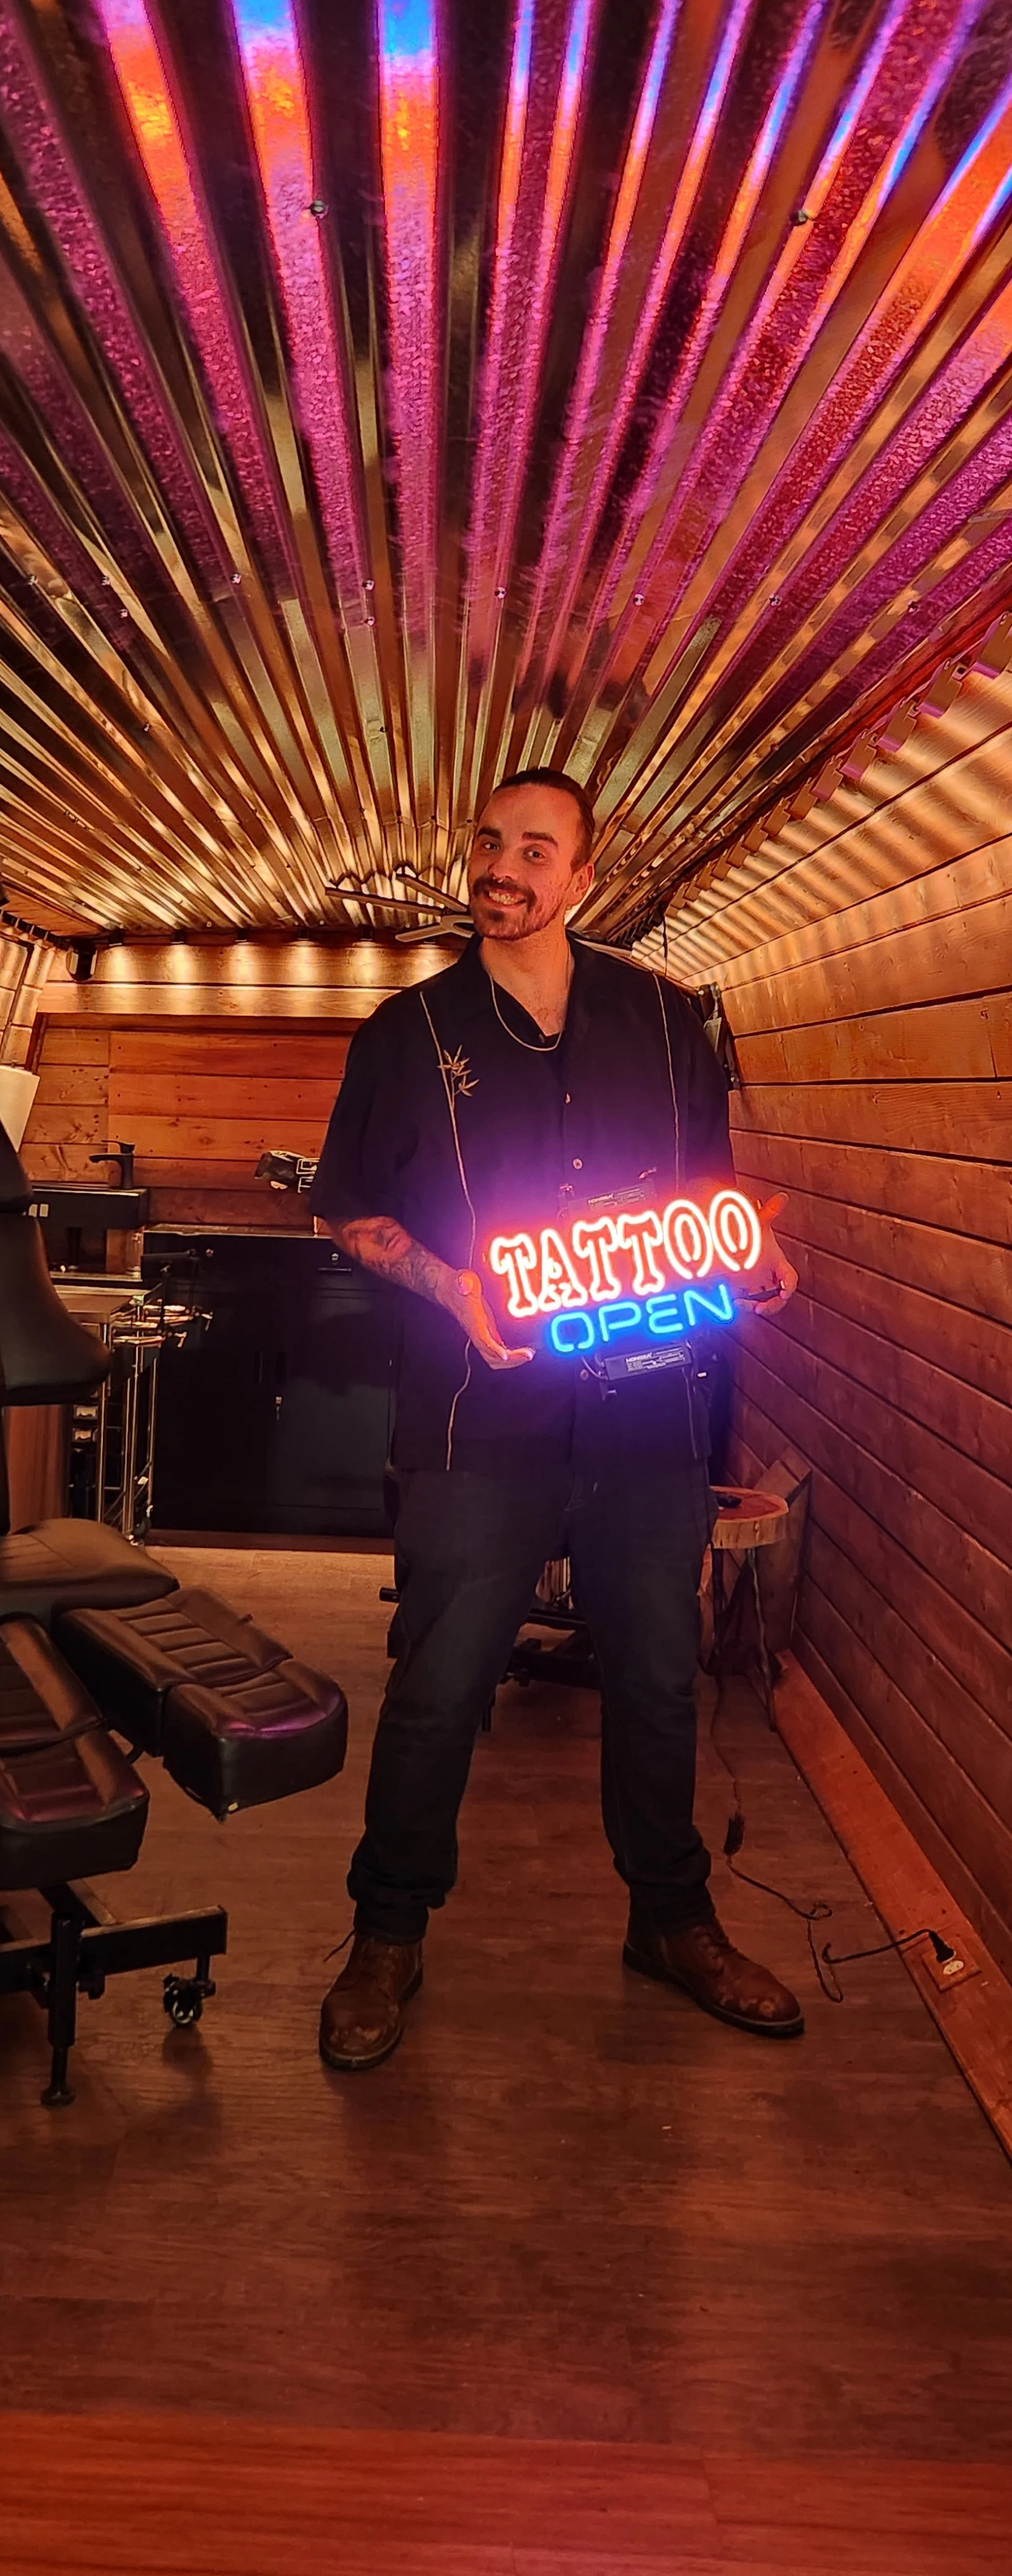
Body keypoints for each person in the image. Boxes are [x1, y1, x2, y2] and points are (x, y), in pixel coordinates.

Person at [312, 769, 802, 2070]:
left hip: (647, 1419)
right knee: (438, 1684)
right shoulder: (405, 1032)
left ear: (583, 878)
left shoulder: (665, 1020)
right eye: (488, 842)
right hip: (476, 1419)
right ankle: (386, 1930)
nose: (502, 866)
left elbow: (706, 1199)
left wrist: (748, 1258)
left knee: (654, 1678)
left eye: (536, 849)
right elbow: (347, 1208)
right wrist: (444, 1283)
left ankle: (670, 1919)